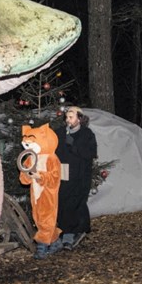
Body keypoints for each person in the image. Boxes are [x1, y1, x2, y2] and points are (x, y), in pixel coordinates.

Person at [18, 123, 63, 259]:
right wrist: (27, 174)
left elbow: (55, 178)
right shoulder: (30, 158)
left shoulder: (52, 158)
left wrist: (40, 176)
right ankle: (55, 242)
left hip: (48, 194)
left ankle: (42, 247)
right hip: (36, 194)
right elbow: (23, 179)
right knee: (39, 218)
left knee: (46, 219)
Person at [56, 106, 98, 250]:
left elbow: (91, 153)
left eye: (71, 117)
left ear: (80, 118)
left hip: (80, 176)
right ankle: (62, 233)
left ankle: (72, 234)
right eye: (66, 117)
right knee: (62, 201)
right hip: (63, 174)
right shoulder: (60, 133)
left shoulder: (87, 134)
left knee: (75, 203)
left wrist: (74, 145)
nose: (68, 120)